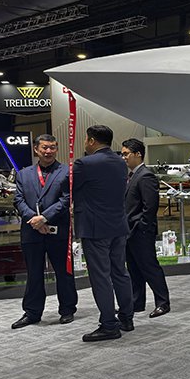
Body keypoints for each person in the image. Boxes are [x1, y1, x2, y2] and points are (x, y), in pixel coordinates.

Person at [73, 124, 133, 342]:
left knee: (100, 277)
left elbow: (67, 187)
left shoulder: (84, 163)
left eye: (86, 139)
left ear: (91, 140)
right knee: (120, 272)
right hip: (118, 226)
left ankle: (109, 325)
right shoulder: (120, 162)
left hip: (95, 228)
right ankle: (126, 318)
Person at [10, 134, 77, 329]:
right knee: (34, 274)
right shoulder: (23, 174)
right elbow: (18, 200)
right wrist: (35, 220)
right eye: (44, 148)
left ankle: (67, 310)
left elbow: (67, 199)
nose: (48, 151)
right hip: (31, 231)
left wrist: (44, 218)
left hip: (58, 231)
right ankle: (32, 313)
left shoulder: (66, 172)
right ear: (36, 149)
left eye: (52, 147)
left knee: (64, 272)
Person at [122, 138, 171, 318]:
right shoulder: (131, 176)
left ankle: (163, 302)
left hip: (141, 232)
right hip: (129, 231)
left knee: (149, 267)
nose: (123, 157)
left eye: (126, 154)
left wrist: (141, 227)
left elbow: (150, 207)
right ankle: (137, 302)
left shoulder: (145, 176)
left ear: (138, 154)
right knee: (134, 268)